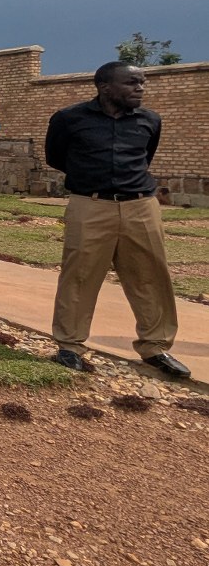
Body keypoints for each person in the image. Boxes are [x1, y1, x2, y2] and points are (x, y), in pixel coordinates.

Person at [44, 63, 191, 380]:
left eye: (142, 82)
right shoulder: (69, 119)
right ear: (105, 87)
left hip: (141, 206)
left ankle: (155, 347)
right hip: (90, 205)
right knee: (79, 276)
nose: (140, 88)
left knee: (150, 275)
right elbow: (55, 157)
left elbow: (146, 156)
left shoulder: (149, 120)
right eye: (132, 82)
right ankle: (70, 346)